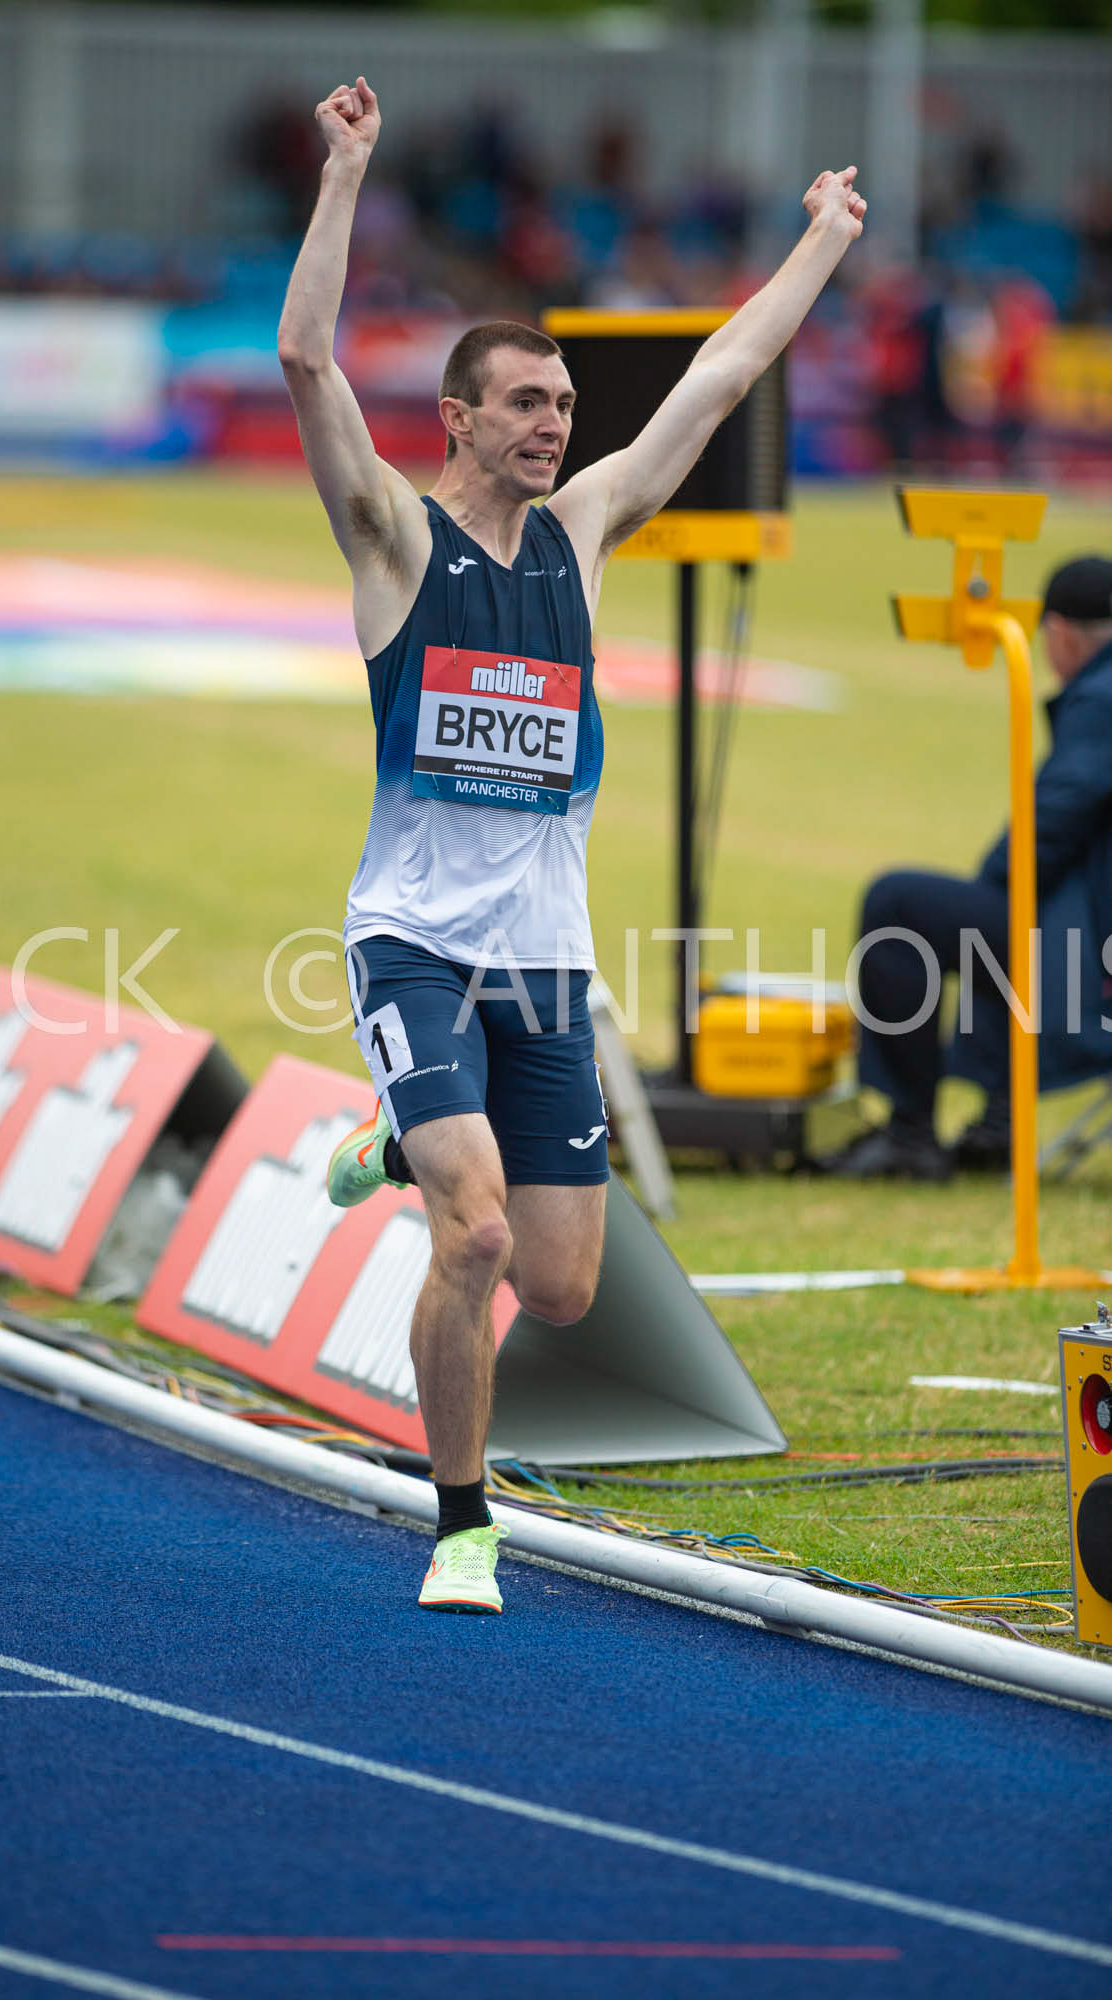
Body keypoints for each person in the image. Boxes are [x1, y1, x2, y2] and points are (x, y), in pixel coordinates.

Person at [278, 76, 866, 1612]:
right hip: (410, 942)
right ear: (459, 416)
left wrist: (819, 240)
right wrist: (348, 175)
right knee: (469, 1242)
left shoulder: (586, 534)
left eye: (565, 409)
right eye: (528, 405)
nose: (556, 428)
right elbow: (300, 356)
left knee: (558, 1282)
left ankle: (396, 1137)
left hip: (542, 967)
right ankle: (461, 1524)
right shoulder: (393, 541)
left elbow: (722, 379)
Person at [821, 554, 1112, 1182]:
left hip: (1093, 951)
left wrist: (997, 876)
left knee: (901, 905)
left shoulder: (1102, 697)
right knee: (996, 914)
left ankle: (910, 1132)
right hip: (1087, 925)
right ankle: (997, 1123)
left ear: (1060, 633)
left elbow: (1060, 812)